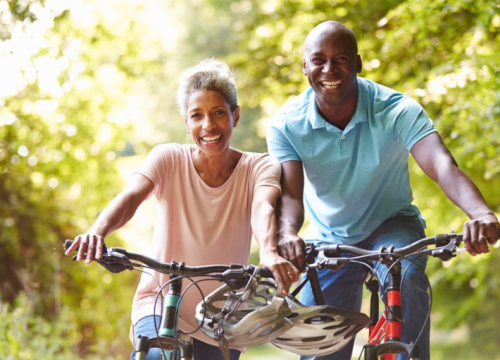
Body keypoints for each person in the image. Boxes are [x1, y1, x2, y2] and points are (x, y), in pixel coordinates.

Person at [266, 20, 499, 360]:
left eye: (341, 59)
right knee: (321, 346)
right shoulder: (286, 124)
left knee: (405, 274)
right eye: (318, 60)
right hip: (331, 237)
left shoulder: (396, 109)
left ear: (358, 64)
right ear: (305, 67)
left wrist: (479, 213)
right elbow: (290, 195)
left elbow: (442, 165)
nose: (329, 69)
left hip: (393, 224)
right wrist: (286, 233)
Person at [65, 58, 299, 360]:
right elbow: (130, 197)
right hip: (160, 299)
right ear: (186, 124)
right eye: (197, 116)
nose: (208, 126)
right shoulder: (167, 159)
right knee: (155, 356)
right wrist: (98, 231)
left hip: (222, 313)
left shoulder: (259, 166)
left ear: (235, 116)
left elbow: (263, 207)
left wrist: (268, 250)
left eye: (218, 113)